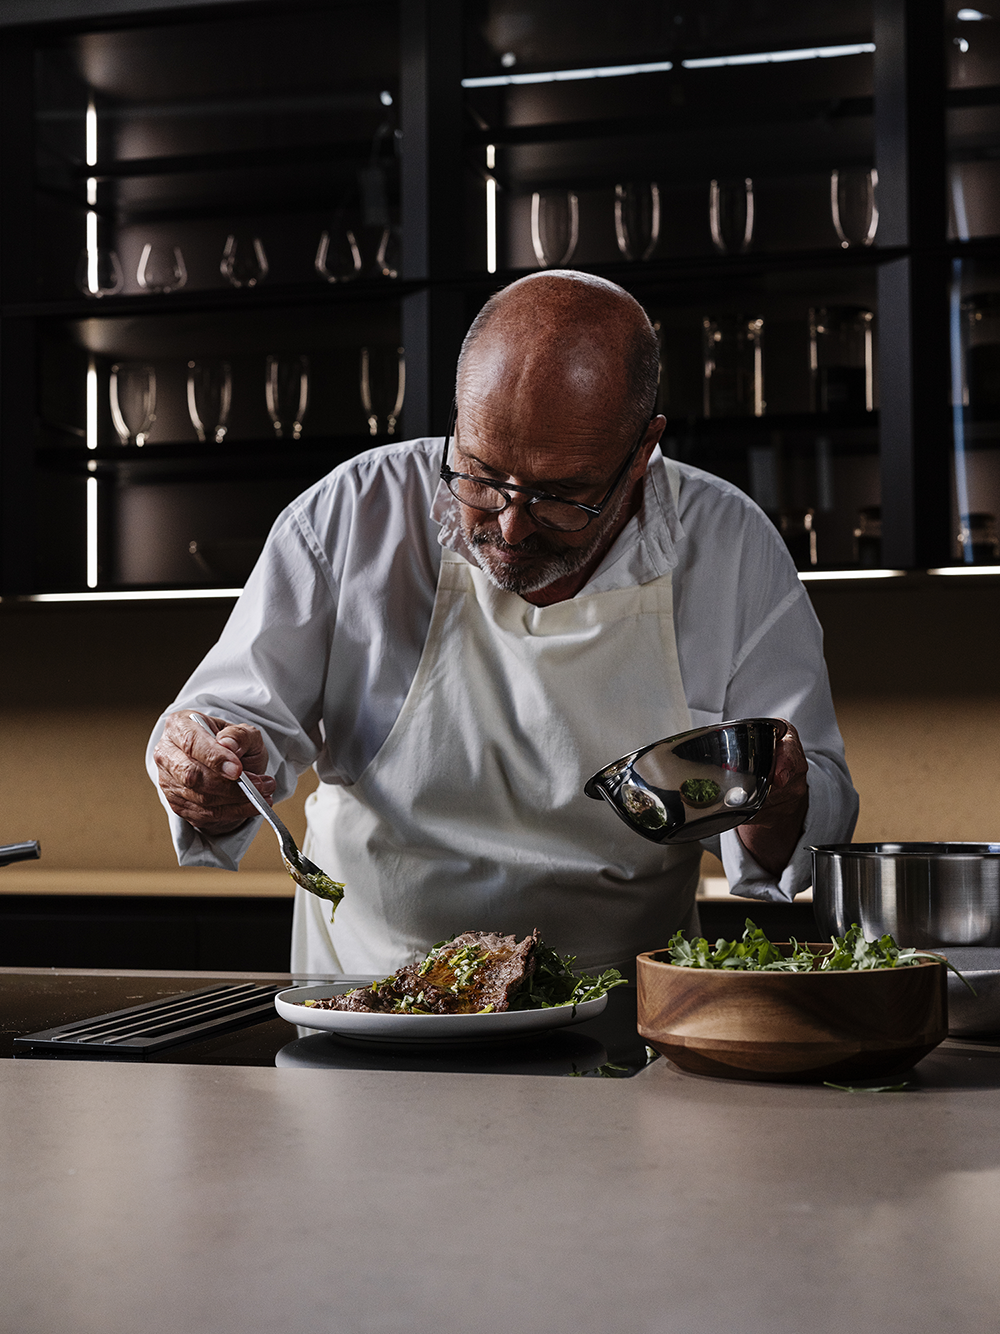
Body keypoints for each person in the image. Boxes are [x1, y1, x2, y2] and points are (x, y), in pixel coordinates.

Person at [149, 271, 858, 976]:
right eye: (482, 475)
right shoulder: (348, 517)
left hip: (621, 1026)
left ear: (642, 451)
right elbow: (231, 726)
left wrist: (780, 800)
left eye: (561, 495)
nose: (511, 525)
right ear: (457, 416)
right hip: (369, 1011)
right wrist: (209, 772)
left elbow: (810, 809)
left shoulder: (731, 546)